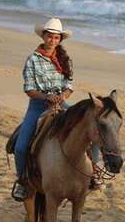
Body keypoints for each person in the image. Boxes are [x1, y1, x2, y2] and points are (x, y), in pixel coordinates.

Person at [12, 17, 101, 200]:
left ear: (60, 40)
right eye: (50, 36)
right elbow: (29, 89)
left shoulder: (65, 59)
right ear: (44, 37)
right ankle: (22, 181)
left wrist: (64, 95)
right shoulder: (33, 60)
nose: (52, 40)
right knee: (20, 147)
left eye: (56, 38)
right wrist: (46, 96)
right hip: (38, 105)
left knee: (92, 134)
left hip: (61, 104)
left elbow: (69, 84)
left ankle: (92, 174)